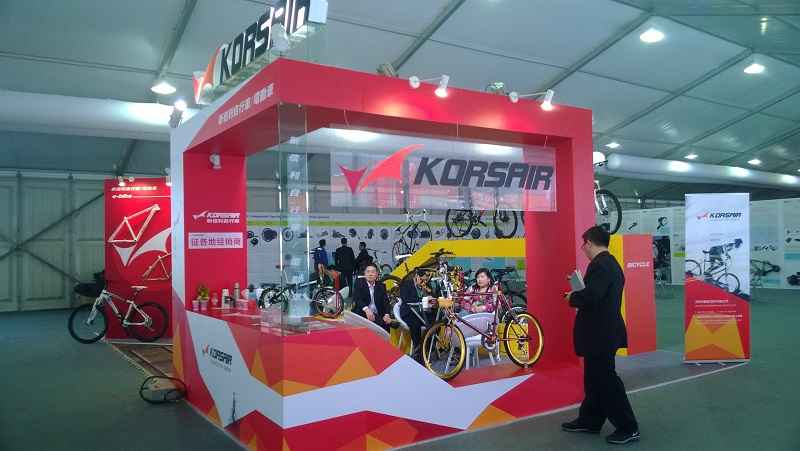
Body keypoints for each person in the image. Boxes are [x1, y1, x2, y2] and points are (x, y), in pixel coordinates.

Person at [563, 225, 640, 445]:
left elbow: (593, 295)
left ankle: (628, 427)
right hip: (602, 332)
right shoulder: (609, 264)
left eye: (584, 244)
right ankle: (590, 420)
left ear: (589, 243)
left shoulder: (600, 265)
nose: (583, 249)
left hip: (601, 334)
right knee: (594, 379)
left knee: (606, 381)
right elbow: (599, 294)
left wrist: (573, 297)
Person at [399, 270, 433, 362]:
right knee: (415, 324)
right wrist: (423, 299)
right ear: (417, 276)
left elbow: (432, 295)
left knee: (435, 322)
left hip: (422, 312)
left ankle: (428, 347)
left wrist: (428, 294)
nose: (424, 282)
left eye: (425, 280)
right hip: (409, 312)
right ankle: (418, 352)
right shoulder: (406, 284)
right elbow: (406, 299)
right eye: (422, 280)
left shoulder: (426, 284)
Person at [351, 263, 391, 330]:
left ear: (377, 274)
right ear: (365, 274)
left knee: (387, 323)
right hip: (363, 313)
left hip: (377, 314)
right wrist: (366, 309)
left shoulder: (381, 286)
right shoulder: (359, 283)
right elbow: (357, 298)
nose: (370, 274)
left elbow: (386, 302)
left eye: (373, 272)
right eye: (368, 272)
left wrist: (387, 314)